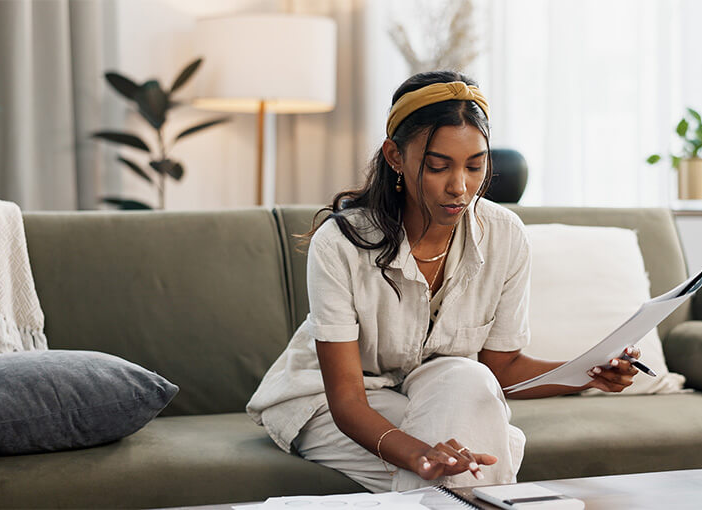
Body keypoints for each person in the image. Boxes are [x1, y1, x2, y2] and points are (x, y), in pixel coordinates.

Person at [246, 70, 640, 493]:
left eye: (476, 166)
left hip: (433, 392)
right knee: (488, 451)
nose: (460, 187)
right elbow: (348, 401)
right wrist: (420, 455)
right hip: (328, 404)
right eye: (438, 167)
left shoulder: (504, 235)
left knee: (469, 379)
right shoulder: (340, 243)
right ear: (395, 157)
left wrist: (588, 374)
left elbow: (500, 369)